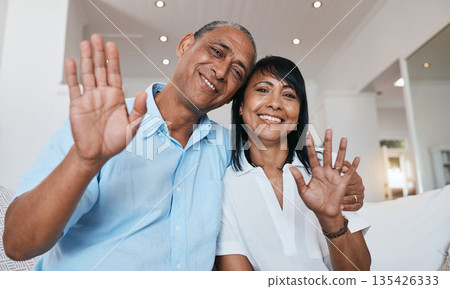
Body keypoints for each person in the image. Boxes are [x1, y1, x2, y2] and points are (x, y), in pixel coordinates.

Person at [3, 21, 363, 270]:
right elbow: (18, 244)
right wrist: (84, 160)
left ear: (234, 96)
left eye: (237, 71)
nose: (222, 71)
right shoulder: (103, 126)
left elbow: (282, 154)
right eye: (217, 52)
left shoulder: (228, 150)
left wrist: (350, 187)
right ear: (185, 45)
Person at [215, 56, 371, 270]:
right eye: (262, 90)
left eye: (288, 94)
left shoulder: (326, 170)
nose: (275, 103)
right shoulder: (224, 185)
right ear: (241, 105)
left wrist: (331, 219)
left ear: (299, 114)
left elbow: (360, 272)